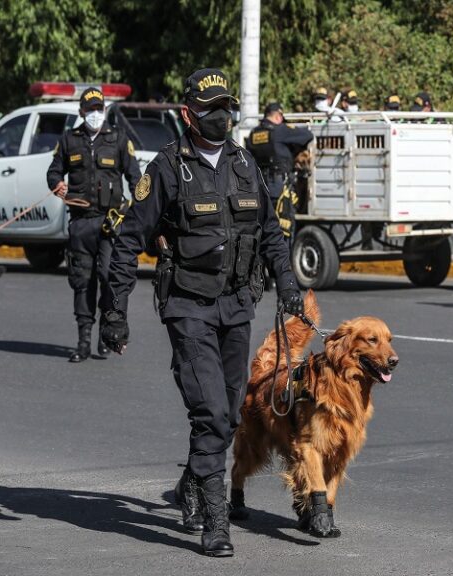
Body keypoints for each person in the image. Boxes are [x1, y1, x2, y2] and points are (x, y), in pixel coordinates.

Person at [100, 68, 303, 557]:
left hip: (236, 304)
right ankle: (215, 522)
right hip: (188, 304)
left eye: (227, 107)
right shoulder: (168, 168)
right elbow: (128, 241)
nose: (222, 116)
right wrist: (115, 312)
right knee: (210, 411)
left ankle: (192, 483)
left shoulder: (244, 163)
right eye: (211, 109)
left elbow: (270, 234)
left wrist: (289, 284)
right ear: (189, 114)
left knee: (230, 412)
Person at [46, 86, 141, 363]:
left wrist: (138, 211)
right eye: (90, 110)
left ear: (104, 111)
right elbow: (54, 170)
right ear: (81, 112)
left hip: (109, 224)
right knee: (82, 282)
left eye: (99, 109)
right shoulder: (69, 140)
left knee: (108, 278)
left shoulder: (119, 139)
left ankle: (105, 334)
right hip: (80, 223)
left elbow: (135, 178)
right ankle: (83, 341)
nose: (95, 114)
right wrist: (56, 184)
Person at [246, 101, 314, 247]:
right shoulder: (280, 131)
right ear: (278, 117)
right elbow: (307, 135)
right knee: (284, 227)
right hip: (278, 187)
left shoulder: (253, 134)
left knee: (264, 228)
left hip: (258, 188)